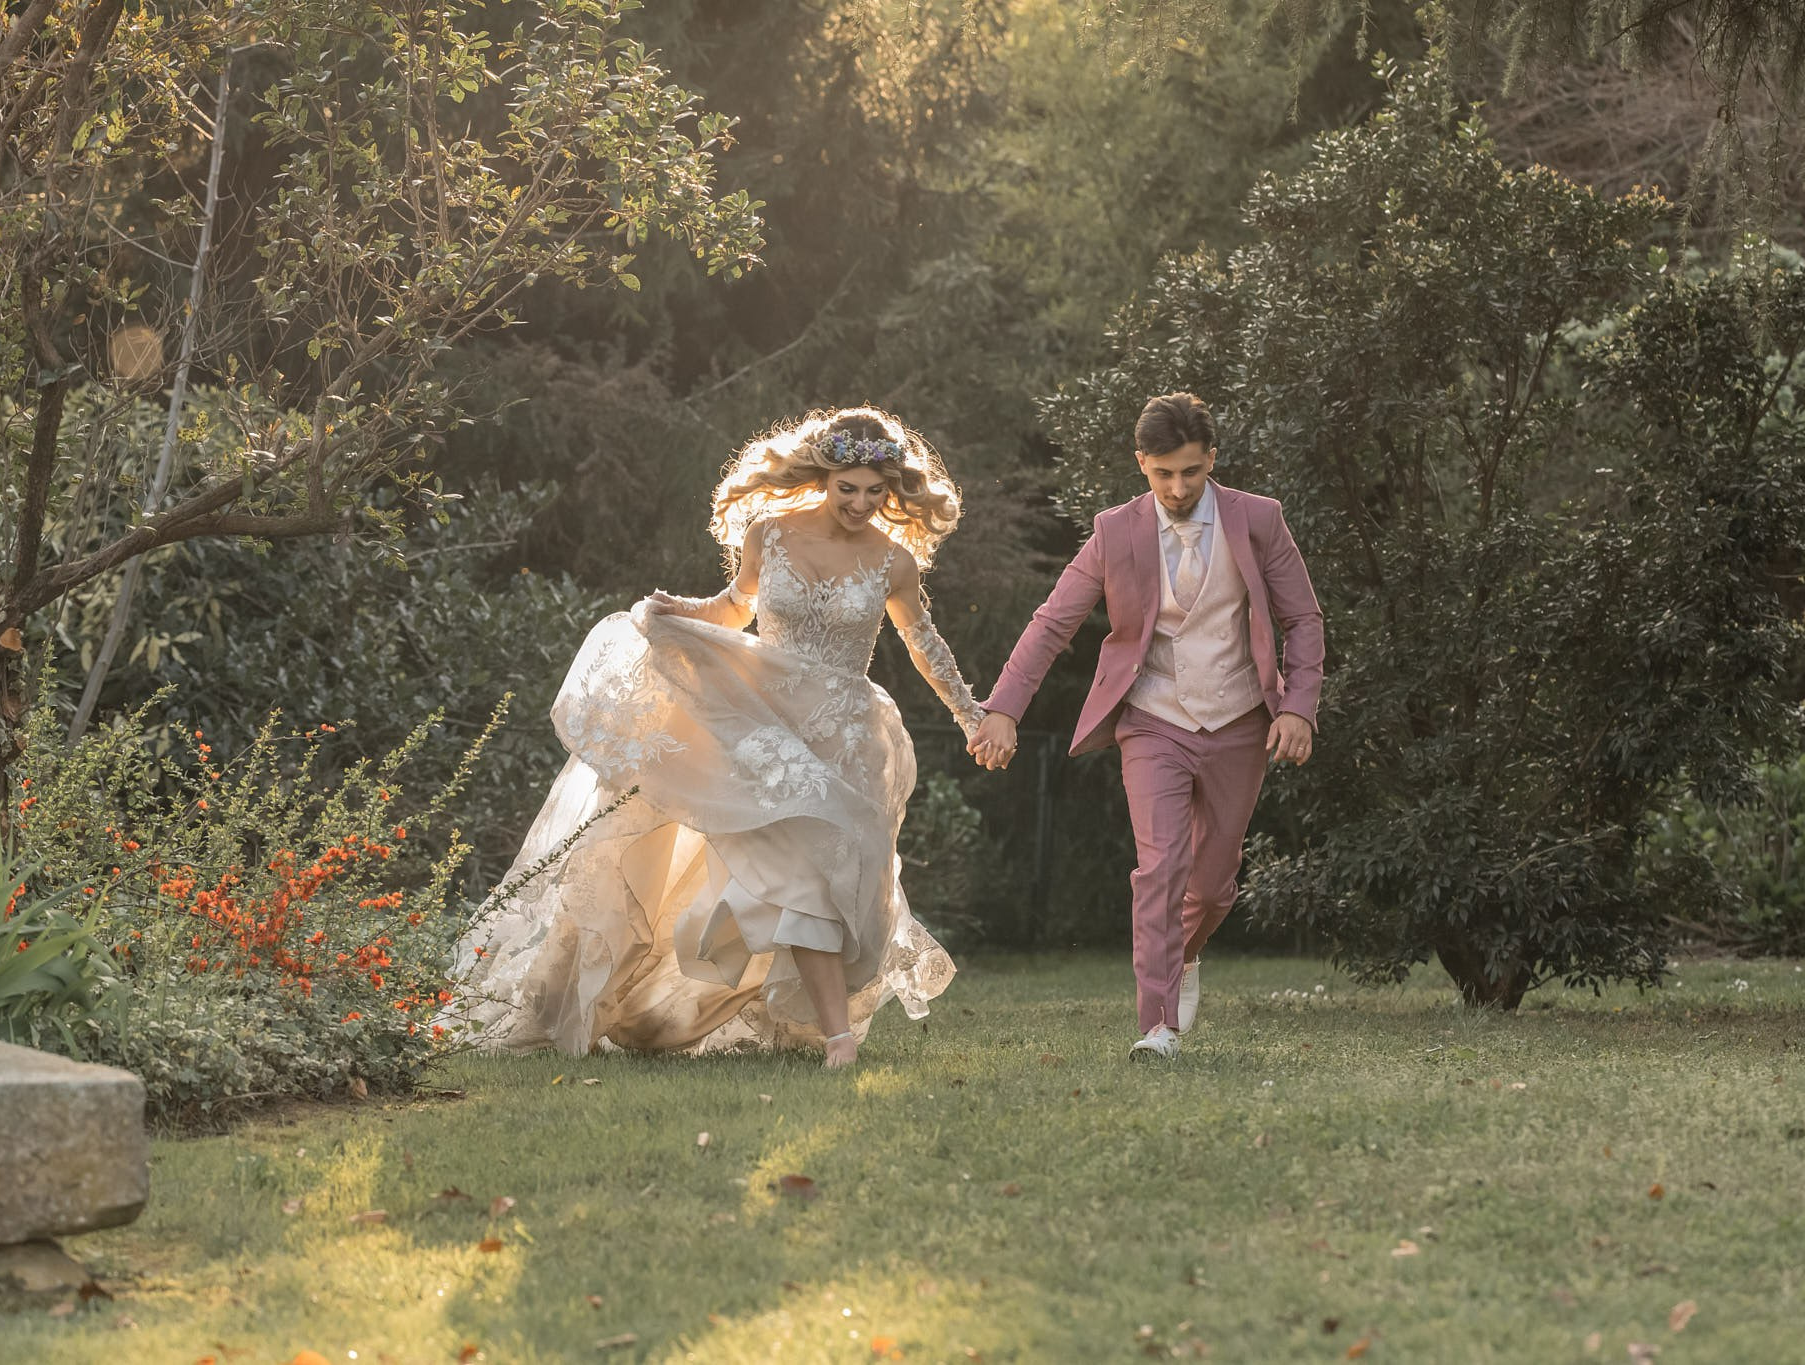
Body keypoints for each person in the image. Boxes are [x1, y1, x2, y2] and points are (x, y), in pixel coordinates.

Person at [446, 407, 983, 1068]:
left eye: (877, 492)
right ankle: (838, 1039)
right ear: (825, 476)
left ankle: (782, 1012)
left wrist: (971, 714)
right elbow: (736, 606)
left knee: (838, 888)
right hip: (766, 723)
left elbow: (924, 644)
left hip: (843, 737)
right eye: (849, 488)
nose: (862, 504)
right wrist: (680, 613)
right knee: (800, 876)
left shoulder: (892, 561)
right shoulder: (772, 534)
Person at [968, 393, 1323, 1060]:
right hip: (1152, 719)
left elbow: (1303, 618)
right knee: (1160, 866)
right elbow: (1054, 622)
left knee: (1214, 884)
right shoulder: (1115, 532)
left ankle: (1185, 955)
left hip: (1239, 718)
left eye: (1190, 471)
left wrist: (1299, 705)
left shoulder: (1259, 520)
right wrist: (1004, 707)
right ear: (1142, 465)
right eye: (1163, 474)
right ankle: (1158, 1027)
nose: (1178, 487)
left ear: (1211, 459)